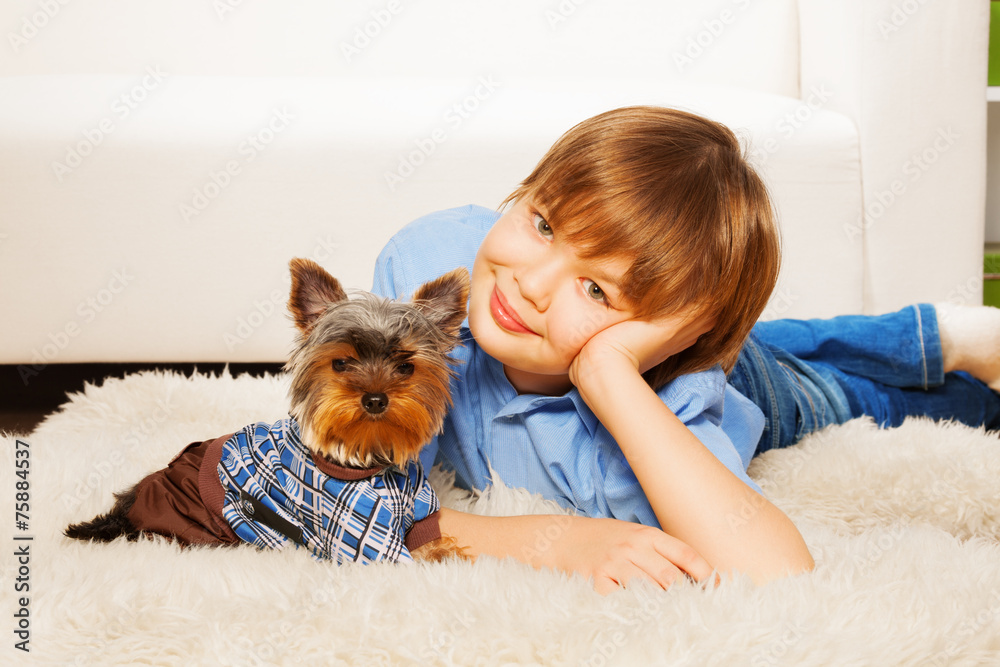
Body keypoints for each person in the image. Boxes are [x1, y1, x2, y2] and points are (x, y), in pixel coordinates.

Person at [370, 106, 1000, 594]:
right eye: (543, 224)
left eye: (594, 288)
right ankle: (930, 332)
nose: (527, 284)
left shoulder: (675, 397)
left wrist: (611, 374)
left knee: (825, 392)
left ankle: (960, 379)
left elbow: (780, 575)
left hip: (732, 376)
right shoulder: (428, 274)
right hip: (699, 337)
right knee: (780, 341)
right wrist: (556, 543)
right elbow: (359, 502)